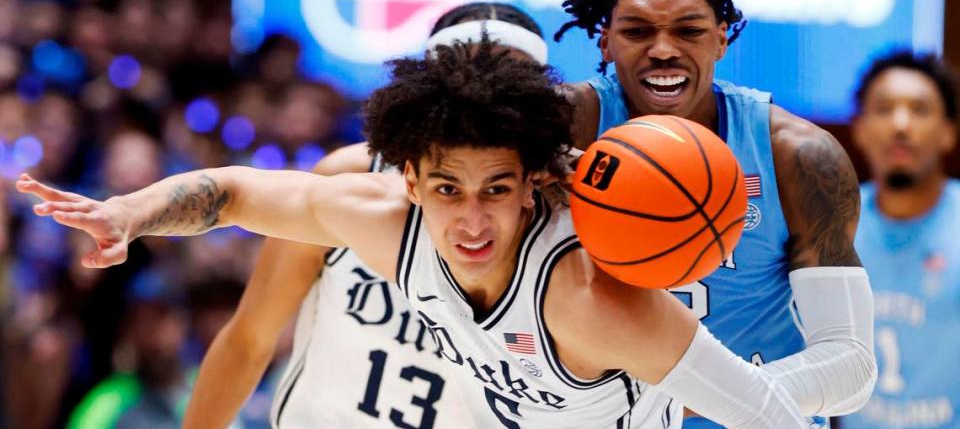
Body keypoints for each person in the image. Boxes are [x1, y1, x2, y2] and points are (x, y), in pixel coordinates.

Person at [18, 36, 808, 428]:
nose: (471, 220)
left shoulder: (588, 299)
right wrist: (129, 212)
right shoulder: (386, 222)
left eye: (496, 190)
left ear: (533, 179)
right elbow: (233, 192)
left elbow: (772, 417)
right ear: (409, 181)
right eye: (447, 190)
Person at [553, 0, 877, 427]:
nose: (663, 50)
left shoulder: (796, 154)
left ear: (722, 37)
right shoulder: (561, 131)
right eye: (636, 31)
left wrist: (675, 403)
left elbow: (851, 368)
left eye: (688, 30)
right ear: (604, 40)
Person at [184, 3, 546, 429]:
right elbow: (249, 339)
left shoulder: (554, 222)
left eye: (507, 82)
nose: (484, 98)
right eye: (468, 77)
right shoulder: (352, 177)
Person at [843, 51, 960, 429]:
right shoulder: (831, 224)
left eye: (921, 110)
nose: (901, 124)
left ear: (948, 132)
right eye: (884, 108)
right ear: (859, 128)